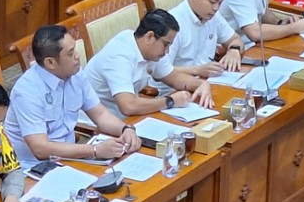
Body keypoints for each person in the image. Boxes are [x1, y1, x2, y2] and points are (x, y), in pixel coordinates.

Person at [4, 25, 142, 168]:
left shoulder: (76, 74)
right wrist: (95, 150)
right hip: (34, 167)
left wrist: (126, 129)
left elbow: (100, 115)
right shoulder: (27, 91)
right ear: (50, 62)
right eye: (70, 53)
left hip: (71, 158)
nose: (77, 56)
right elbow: (40, 149)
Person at [83, 9, 215, 119]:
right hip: (98, 125)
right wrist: (170, 101)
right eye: (166, 44)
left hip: (128, 120)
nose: (167, 51)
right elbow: (128, 106)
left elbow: (174, 77)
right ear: (149, 37)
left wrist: (202, 84)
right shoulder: (119, 56)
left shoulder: (152, 51)